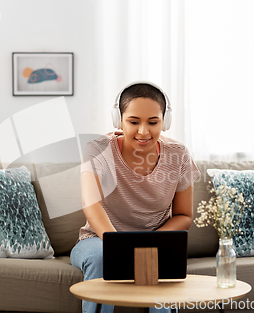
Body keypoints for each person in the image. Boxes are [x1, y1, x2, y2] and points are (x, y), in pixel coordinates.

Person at [70, 82, 200, 313]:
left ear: (165, 122)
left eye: (153, 122)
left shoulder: (178, 155)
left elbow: (184, 215)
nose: (143, 131)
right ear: (118, 120)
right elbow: (91, 204)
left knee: (159, 261)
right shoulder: (97, 150)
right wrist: (118, 247)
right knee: (101, 257)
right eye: (133, 122)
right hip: (98, 241)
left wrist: (149, 245)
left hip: (156, 241)